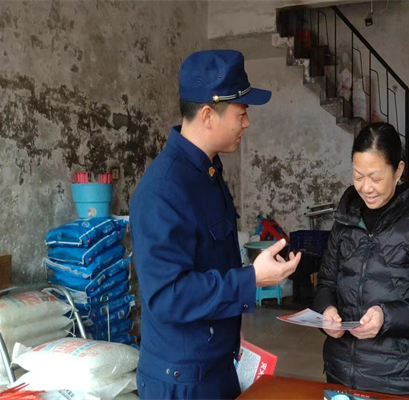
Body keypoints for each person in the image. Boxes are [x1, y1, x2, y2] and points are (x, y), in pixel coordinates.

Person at [129, 49, 301, 399]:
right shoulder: (163, 189)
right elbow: (167, 296)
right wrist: (251, 279)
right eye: (242, 113)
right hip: (182, 381)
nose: (246, 123)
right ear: (208, 115)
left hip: (216, 364)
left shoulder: (208, 172)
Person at [314, 122, 409, 397]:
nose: (366, 187)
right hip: (340, 375)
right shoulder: (345, 222)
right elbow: (326, 283)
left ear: (398, 171)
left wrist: (386, 317)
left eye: (376, 178)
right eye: (358, 176)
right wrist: (326, 310)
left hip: (399, 381)